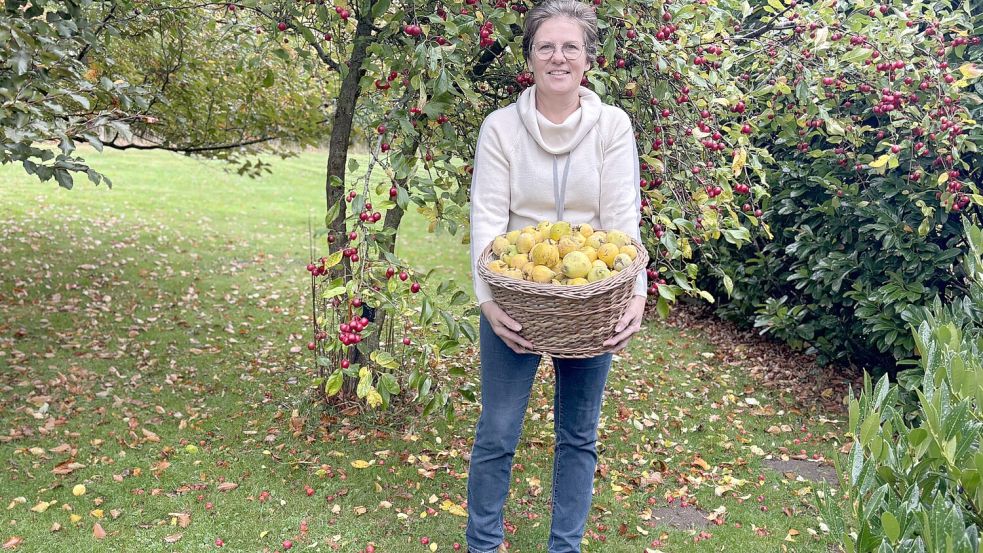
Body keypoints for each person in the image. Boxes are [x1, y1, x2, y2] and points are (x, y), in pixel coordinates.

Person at [465, 1, 648, 551]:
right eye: (545, 46)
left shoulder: (612, 127)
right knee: (497, 433)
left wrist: (633, 292)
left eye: (570, 46)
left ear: (588, 59)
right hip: (516, 298)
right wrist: (488, 301)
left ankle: (564, 547)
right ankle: (482, 543)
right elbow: (488, 219)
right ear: (530, 58)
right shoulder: (500, 128)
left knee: (578, 437)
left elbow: (621, 219)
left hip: (590, 300)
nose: (558, 57)